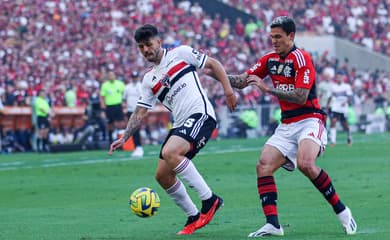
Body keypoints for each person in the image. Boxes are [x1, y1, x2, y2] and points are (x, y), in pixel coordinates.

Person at [227, 16, 357, 237]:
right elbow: (243, 80)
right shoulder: (269, 59)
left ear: (291, 36)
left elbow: (300, 95)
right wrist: (216, 72)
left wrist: (267, 90)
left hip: (310, 119)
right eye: (271, 37)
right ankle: (273, 225)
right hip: (287, 124)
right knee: (263, 166)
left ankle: (343, 212)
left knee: (307, 164)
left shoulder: (302, 58)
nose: (274, 41)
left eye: (278, 37)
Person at [108, 24, 237, 235]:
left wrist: (228, 90)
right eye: (141, 47)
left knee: (170, 152)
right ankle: (193, 216)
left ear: (159, 42)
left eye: (148, 44)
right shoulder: (149, 79)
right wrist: (124, 136)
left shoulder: (181, 54)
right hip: (181, 123)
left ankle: (210, 200)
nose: (146, 50)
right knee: (162, 176)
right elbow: (140, 112)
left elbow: (213, 64)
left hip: (201, 114)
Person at [326, 71, 353, 146]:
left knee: (345, 125)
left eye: (340, 77)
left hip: (343, 108)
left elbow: (350, 97)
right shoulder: (333, 87)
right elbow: (329, 97)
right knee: (333, 122)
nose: (339, 78)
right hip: (336, 107)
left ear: (343, 78)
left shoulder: (346, 86)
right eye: (337, 77)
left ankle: (349, 137)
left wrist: (346, 102)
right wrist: (327, 106)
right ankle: (333, 141)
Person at [122, 71, 144, 157]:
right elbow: (124, 99)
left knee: (135, 128)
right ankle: (136, 147)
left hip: (138, 110)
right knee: (132, 129)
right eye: (133, 77)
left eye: (135, 77)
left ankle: (139, 147)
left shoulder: (141, 86)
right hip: (130, 110)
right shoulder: (127, 87)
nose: (134, 79)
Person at [100, 71, 125, 142]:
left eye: (112, 75)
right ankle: (111, 141)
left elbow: (124, 95)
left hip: (118, 106)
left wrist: (124, 104)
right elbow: (102, 98)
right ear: (108, 76)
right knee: (110, 124)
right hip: (109, 107)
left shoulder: (120, 84)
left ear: (115, 76)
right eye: (110, 75)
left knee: (121, 123)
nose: (111, 76)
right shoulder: (105, 85)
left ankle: (120, 141)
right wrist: (103, 109)